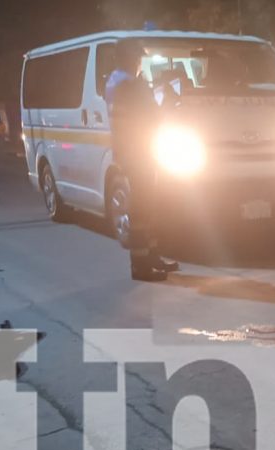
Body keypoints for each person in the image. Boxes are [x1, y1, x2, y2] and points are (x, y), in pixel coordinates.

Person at [105, 41, 178, 281]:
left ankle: (150, 257)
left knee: (148, 209)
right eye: (137, 58)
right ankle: (141, 266)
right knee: (143, 212)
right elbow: (150, 117)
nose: (139, 63)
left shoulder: (117, 81)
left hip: (134, 153)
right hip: (140, 154)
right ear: (129, 58)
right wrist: (167, 101)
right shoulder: (130, 85)